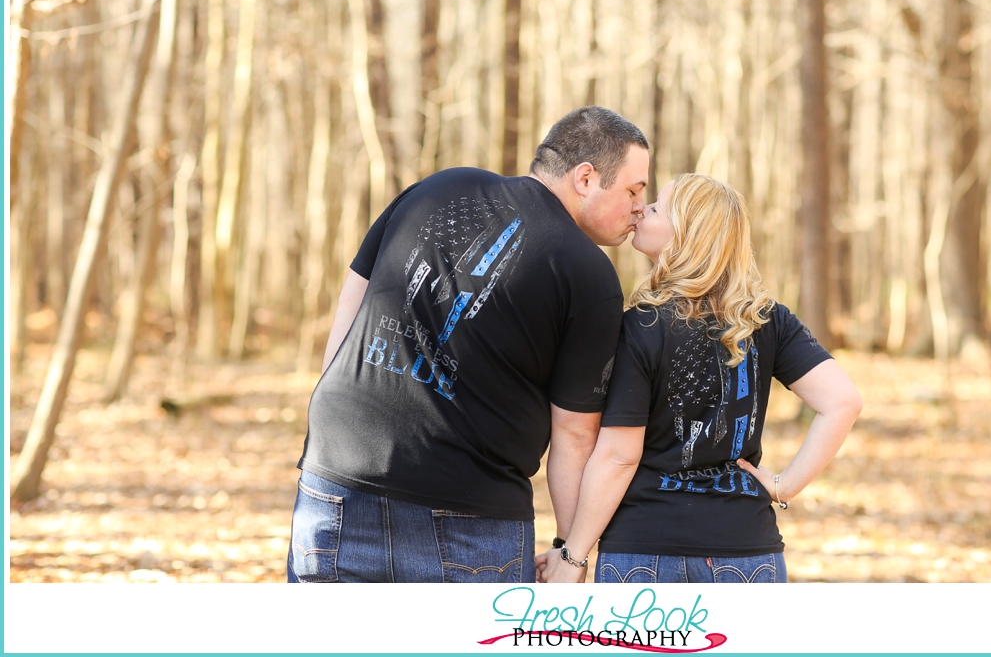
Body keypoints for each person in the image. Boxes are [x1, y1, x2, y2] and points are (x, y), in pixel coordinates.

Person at [287, 107, 649, 583]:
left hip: (334, 478)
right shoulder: (589, 273)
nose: (640, 207)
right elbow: (575, 434)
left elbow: (354, 296)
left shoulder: (439, 186)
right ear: (585, 178)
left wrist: (331, 409)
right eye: (633, 190)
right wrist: (570, 551)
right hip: (468, 517)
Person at [540, 172, 861, 585]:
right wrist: (783, 486)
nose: (641, 209)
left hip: (647, 552)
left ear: (685, 235)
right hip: (748, 552)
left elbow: (619, 456)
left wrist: (573, 555)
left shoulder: (640, 325)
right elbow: (843, 401)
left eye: (655, 207)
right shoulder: (766, 319)